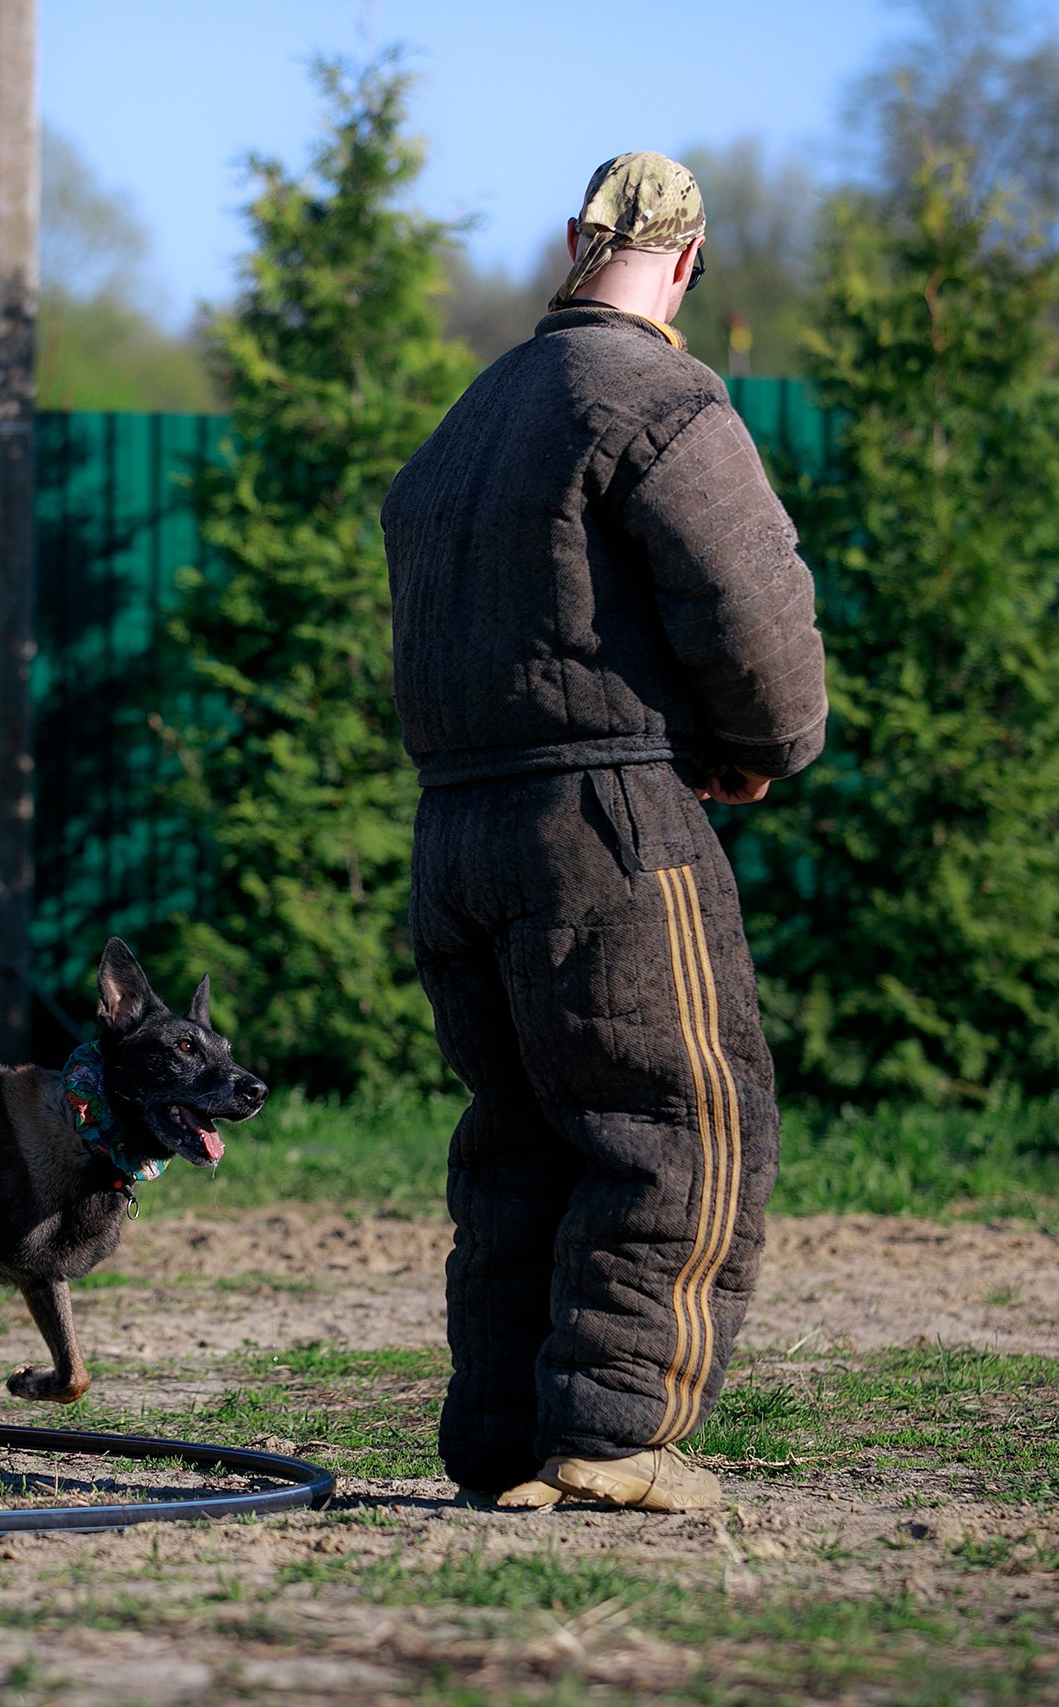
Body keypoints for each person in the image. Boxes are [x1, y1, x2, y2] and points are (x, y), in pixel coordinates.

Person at [382, 154, 829, 1513]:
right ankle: (615, 1437)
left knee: (521, 1138)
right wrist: (764, 746)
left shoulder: (469, 415)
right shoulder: (660, 395)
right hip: (609, 821)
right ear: (688, 263)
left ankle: (507, 1440)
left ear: (575, 240)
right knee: (679, 1120)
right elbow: (753, 607)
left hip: (457, 825)